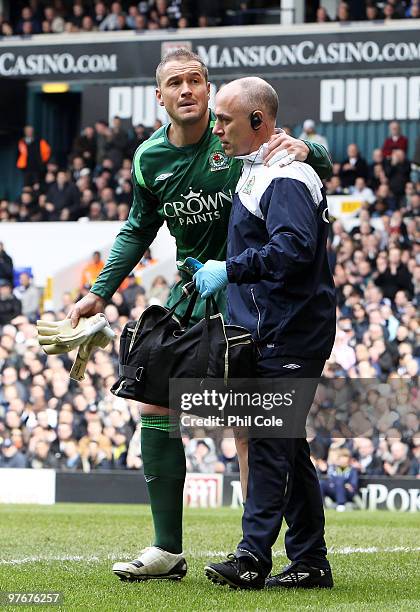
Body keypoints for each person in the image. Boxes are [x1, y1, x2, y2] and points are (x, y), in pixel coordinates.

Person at [67, 49, 332, 583]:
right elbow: (138, 229)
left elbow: (309, 161)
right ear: (159, 97)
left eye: (196, 81)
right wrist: (100, 291)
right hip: (196, 292)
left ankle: (256, 550)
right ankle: (168, 550)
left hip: (245, 292)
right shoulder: (149, 159)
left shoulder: (237, 136)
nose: (187, 90)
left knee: (252, 427)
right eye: (175, 83)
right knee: (153, 399)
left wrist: (310, 146)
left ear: (210, 92)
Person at [194, 76, 336, 589]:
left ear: (258, 122)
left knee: (272, 441)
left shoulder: (286, 176)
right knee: (288, 448)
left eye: (224, 120)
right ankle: (311, 561)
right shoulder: (259, 170)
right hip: (275, 327)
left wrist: (231, 268)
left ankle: (252, 556)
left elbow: (294, 251)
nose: (216, 130)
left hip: (290, 329)